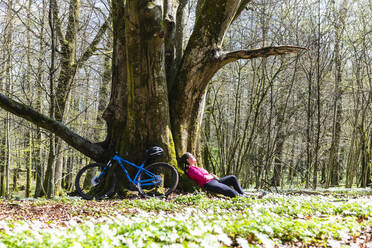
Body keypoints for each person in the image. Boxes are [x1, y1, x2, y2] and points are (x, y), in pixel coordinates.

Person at [181, 152, 265, 198]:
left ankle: (243, 194)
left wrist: (213, 177)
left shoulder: (196, 167)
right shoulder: (191, 170)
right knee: (229, 191)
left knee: (232, 178)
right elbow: (203, 178)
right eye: (191, 156)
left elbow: (206, 175)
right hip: (209, 184)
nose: (194, 156)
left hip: (214, 181)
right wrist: (212, 176)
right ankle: (250, 198)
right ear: (188, 160)